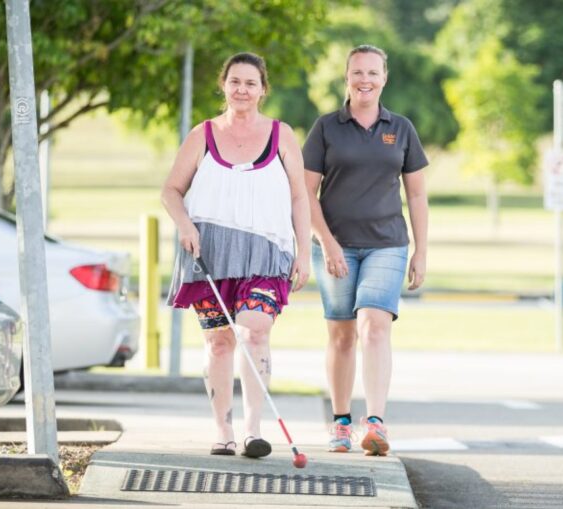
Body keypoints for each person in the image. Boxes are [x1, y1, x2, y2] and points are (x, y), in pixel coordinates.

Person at [162, 52, 310, 458]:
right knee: (219, 343)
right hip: (210, 251)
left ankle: (252, 430)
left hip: (266, 252)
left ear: (263, 89)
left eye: (250, 83)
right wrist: (185, 225)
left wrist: (304, 252)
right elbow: (171, 190)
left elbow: (300, 197)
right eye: (235, 81)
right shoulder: (202, 135)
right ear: (223, 86)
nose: (242, 89)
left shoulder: (282, 135)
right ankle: (223, 432)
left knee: (255, 330)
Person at [302, 44, 428, 456]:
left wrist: (421, 251)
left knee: (374, 324)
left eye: (372, 73)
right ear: (347, 77)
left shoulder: (402, 128)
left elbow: (417, 195)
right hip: (335, 246)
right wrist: (327, 242)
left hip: (387, 244)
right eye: (357, 72)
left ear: (384, 78)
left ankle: (374, 422)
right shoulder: (326, 128)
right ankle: (340, 422)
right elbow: (305, 195)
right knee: (341, 336)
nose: (365, 80)